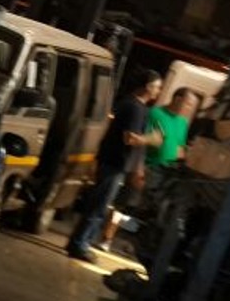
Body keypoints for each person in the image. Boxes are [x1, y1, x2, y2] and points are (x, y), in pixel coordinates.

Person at [67, 68, 161, 262]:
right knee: (98, 206)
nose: (158, 91)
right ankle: (80, 244)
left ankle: (79, 242)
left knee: (98, 204)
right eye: (157, 87)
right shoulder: (135, 108)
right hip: (114, 163)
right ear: (148, 87)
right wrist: (151, 139)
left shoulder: (131, 104)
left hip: (112, 162)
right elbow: (129, 138)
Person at [96, 86, 199, 251]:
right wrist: (138, 168)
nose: (190, 109)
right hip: (148, 167)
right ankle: (106, 238)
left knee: (149, 210)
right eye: (188, 104)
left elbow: (179, 147)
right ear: (177, 99)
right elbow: (141, 142)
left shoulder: (182, 123)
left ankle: (134, 242)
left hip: (167, 172)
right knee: (125, 204)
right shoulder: (154, 114)